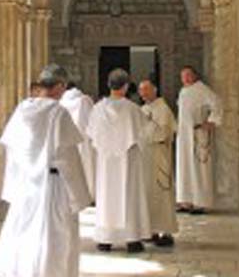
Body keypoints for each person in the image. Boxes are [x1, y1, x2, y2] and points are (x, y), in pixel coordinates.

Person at [0, 64, 91, 277]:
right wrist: (79, 194)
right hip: (53, 187)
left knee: (18, 234)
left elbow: (12, 150)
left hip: (26, 184)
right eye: (63, 87)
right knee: (56, 240)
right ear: (58, 86)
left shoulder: (22, 109)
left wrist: (12, 185)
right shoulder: (58, 113)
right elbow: (67, 156)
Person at [87, 68, 152, 253]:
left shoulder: (97, 109)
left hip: (106, 160)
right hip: (128, 159)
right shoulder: (133, 109)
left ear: (109, 85)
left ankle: (105, 238)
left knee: (107, 195)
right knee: (129, 195)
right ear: (125, 87)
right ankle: (132, 239)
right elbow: (143, 133)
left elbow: (91, 133)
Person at [176, 65, 223, 214]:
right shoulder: (183, 91)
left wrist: (211, 121)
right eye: (183, 75)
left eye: (188, 75)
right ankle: (187, 201)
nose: (185, 78)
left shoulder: (202, 89)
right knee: (185, 168)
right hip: (184, 135)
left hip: (197, 133)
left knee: (199, 169)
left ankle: (201, 203)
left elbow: (217, 103)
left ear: (195, 76)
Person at [138, 79, 178, 246]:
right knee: (148, 194)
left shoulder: (163, 109)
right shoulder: (143, 109)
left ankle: (166, 232)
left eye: (147, 90)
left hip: (159, 156)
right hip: (145, 158)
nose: (144, 93)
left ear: (155, 90)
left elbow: (165, 132)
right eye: (141, 90)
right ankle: (151, 230)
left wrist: (149, 126)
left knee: (162, 194)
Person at [60, 82, 96, 201]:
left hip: (68, 139)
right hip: (85, 139)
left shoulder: (61, 102)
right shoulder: (85, 100)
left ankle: (72, 195)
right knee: (87, 165)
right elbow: (93, 119)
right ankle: (89, 193)